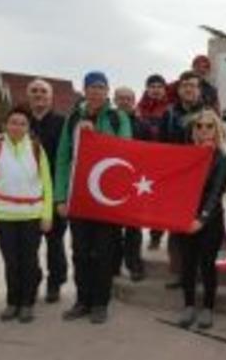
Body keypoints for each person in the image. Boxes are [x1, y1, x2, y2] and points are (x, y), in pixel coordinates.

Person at [54, 71, 132, 324]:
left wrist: (94, 138)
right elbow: (64, 158)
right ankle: (82, 300)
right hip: (79, 197)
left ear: (107, 91)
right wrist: (60, 197)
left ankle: (100, 302)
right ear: (84, 91)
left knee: (104, 252)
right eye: (92, 87)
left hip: (106, 199)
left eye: (101, 87)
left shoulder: (117, 117)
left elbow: (125, 152)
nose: (96, 91)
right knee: (80, 251)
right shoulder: (74, 117)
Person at [0, 106, 53, 323]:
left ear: (28, 127)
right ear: (6, 125)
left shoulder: (37, 149)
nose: (17, 127)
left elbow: (47, 184)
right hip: (4, 217)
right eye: (13, 122)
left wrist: (47, 214)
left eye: (22, 123)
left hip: (32, 216)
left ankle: (27, 303)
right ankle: (13, 302)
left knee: (29, 261)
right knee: (11, 262)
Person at [177, 108, 226, 329]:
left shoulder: (222, 158)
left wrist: (201, 219)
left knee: (207, 265)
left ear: (216, 129)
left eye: (209, 126)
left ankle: (208, 308)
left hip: (210, 220)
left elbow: (216, 192)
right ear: (194, 130)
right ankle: (189, 305)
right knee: (187, 265)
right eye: (199, 126)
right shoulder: (186, 153)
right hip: (184, 218)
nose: (204, 130)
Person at [160, 71, 206, 289]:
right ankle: (179, 273)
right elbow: (159, 147)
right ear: (179, 90)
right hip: (175, 180)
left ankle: (196, 272)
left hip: (201, 179)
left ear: (199, 89)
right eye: (185, 85)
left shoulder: (208, 114)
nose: (189, 89)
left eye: (193, 85)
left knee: (197, 227)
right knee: (176, 228)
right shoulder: (168, 114)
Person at [27, 78, 68, 303]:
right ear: (28, 96)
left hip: (54, 192)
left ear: (51, 97)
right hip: (26, 195)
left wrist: (63, 195)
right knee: (29, 244)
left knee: (54, 242)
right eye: (34, 91)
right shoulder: (21, 123)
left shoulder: (63, 123)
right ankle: (32, 281)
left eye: (43, 91)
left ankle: (55, 283)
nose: (39, 94)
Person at [112, 86, 146, 282]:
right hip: (113, 180)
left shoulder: (142, 125)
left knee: (134, 228)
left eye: (128, 98)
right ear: (115, 100)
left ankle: (134, 264)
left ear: (134, 101)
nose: (125, 101)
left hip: (136, 182)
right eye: (121, 98)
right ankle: (114, 265)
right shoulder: (108, 122)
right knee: (113, 230)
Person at [136, 74, 170, 250]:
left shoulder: (170, 108)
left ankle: (156, 235)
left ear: (164, 89)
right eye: (152, 86)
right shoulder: (139, 109)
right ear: (147, 89)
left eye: (159, 86)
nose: (156, 89)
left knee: (161, 202)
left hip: (164, 162)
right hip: (144, 162)